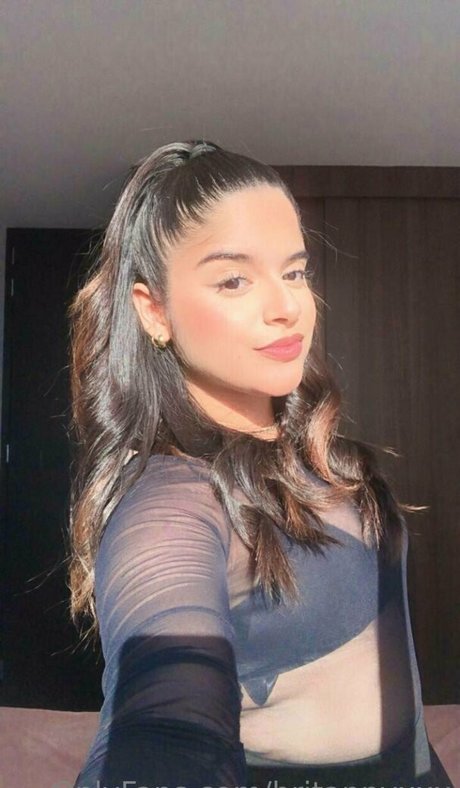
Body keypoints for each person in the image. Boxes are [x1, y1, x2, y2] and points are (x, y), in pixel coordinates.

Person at [68, 139, 452, 788]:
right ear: (154, 311)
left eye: (295, 272)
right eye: (234, 280)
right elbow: (165, 727)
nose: (286, 307)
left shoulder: (322, 453)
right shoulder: (172, 504)